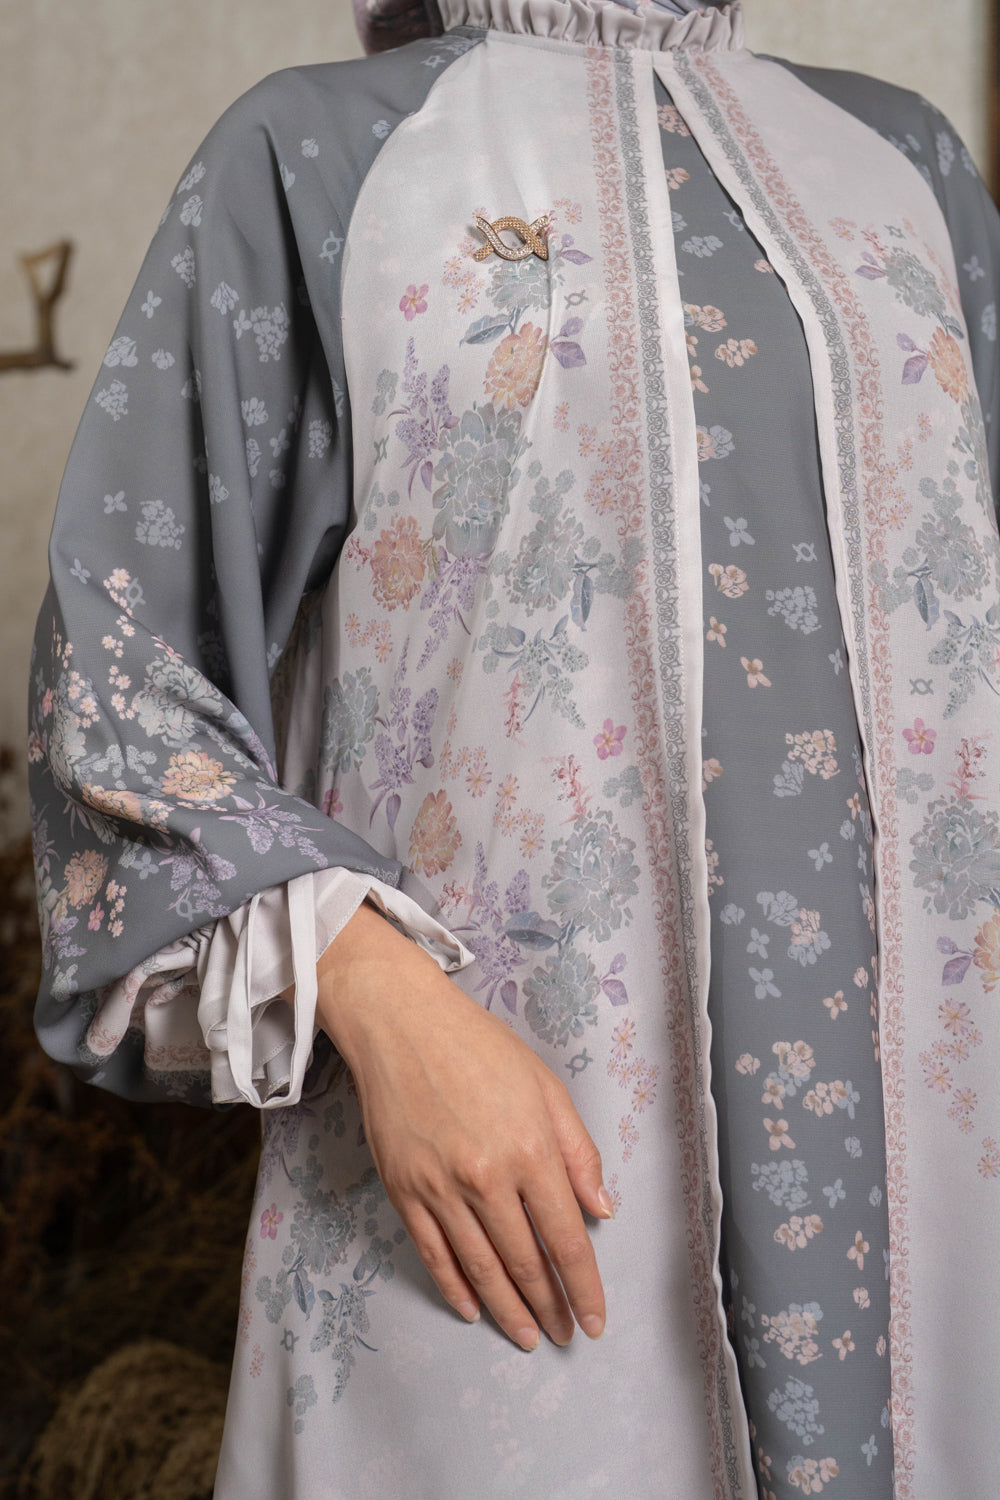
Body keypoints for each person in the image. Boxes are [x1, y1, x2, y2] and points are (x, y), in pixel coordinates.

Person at [27, 0, 1000, 1494]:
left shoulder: (906, 163)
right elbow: (116, 685)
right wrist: (381, 1000)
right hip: (509, 1176)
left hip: (940, 1185)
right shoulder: (320, 153)